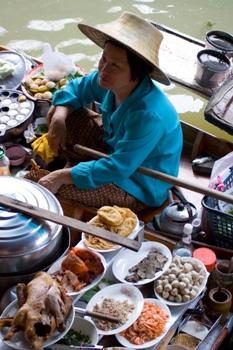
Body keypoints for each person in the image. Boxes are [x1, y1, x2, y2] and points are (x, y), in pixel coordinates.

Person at [38, 11, 183, 214]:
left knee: (59, 189)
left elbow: (119, 167)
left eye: (115, 65)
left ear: (137, 73)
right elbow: (76, 89)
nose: (104, 69)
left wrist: (61, 176)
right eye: (104, 58)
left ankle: (76, 170)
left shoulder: (148, 115)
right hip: (113, 150)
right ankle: (80, 168)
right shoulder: (108, 80)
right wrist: (59, 118)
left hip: (137, 182)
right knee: (57, 112)